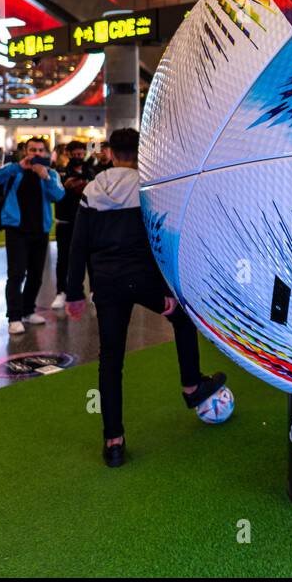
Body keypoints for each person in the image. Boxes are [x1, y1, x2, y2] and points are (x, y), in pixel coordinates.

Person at [64, 128, 228, 467]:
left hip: (106, 284)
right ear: (140, 153)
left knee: (111, 359)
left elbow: (76, 244)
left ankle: (114, 442)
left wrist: (74, 292)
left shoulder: (92, 191)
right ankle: (191, 386)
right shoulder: (148, 187)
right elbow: (160, 240)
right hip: (142, 279)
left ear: (109, 153)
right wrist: (166, 290)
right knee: (182, 319)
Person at [0, 136, 64, 335]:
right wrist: (18, 167)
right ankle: (14, 317)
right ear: (25, 152)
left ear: (46, 153)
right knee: (16, 274)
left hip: (41, 230)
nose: (36, 154)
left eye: (40, 150)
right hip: (16, 230)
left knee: (36, 275)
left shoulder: (51, 173)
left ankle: (28, 310)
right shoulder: (14, 170)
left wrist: (45, 177)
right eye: (32, 150)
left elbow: (58, 196)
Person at [51, 141, 96, 310]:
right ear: (68, 154)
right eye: (75, 154)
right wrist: (66, 186)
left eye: (80, 154)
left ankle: (93, 290)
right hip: (66, 222)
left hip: (87, 222)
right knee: (63, 259)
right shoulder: (60, 173)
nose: (78, 157)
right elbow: (55, 195)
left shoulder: (90, 171)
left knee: (91, 258)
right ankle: (61, 292)